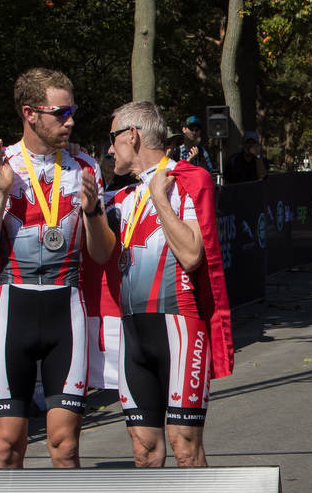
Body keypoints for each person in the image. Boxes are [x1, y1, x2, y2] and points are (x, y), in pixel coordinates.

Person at [0, 67, 113, 469]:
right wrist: (0, 194)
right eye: (60, 113)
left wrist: (93, 210)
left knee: (65, 445)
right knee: (7, 446)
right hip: (14, 306)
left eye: (72, 111)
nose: (71, 121)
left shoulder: (84, 167)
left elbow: (101, 254)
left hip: (67, 306)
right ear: (30, 113)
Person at [96, 101, 233, 467]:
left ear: (132, 136)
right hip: (133, 334)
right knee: (144, 451)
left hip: (179, 326)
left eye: (113, 139)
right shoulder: (120, 197)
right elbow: (98, 256)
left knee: (185, 447)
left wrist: (160, 199)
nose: (110, 150)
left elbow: (191, 255)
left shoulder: (187, 180)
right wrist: (91, 210)